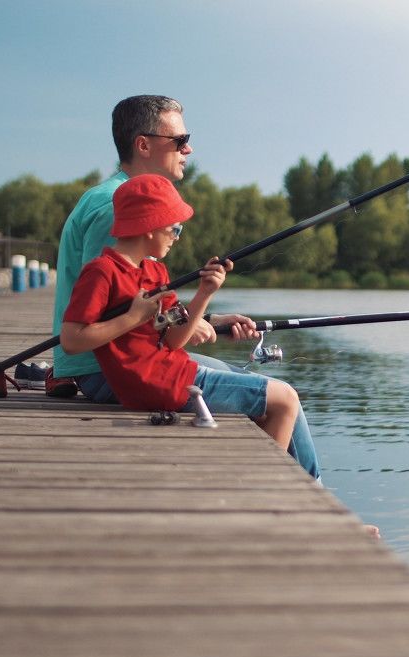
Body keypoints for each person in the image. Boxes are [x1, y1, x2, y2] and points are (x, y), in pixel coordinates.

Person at [50, 95, 320, 478]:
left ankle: (304, 495)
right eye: (179, 140)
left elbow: (141, 305)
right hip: (109, 369)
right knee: (273, 393)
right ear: (143, 144)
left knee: (266, 392)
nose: (188, 148)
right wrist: (187, 322)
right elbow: (118, 309)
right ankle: (306, 497)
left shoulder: (121, 198)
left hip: (131, 358)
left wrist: (207, 315)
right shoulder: (117, 207)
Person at [60, 175, 306, 450]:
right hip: (158, 384)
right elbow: (71, 340)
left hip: (174, 373)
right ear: (150, 225)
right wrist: (132, 317)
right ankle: (273, 490)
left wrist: (205, 292)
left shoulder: (155, 272)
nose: (177, 238)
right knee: (286, 399)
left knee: (269, 405)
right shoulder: (102, 271)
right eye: (175, 229)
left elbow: (174, 340)